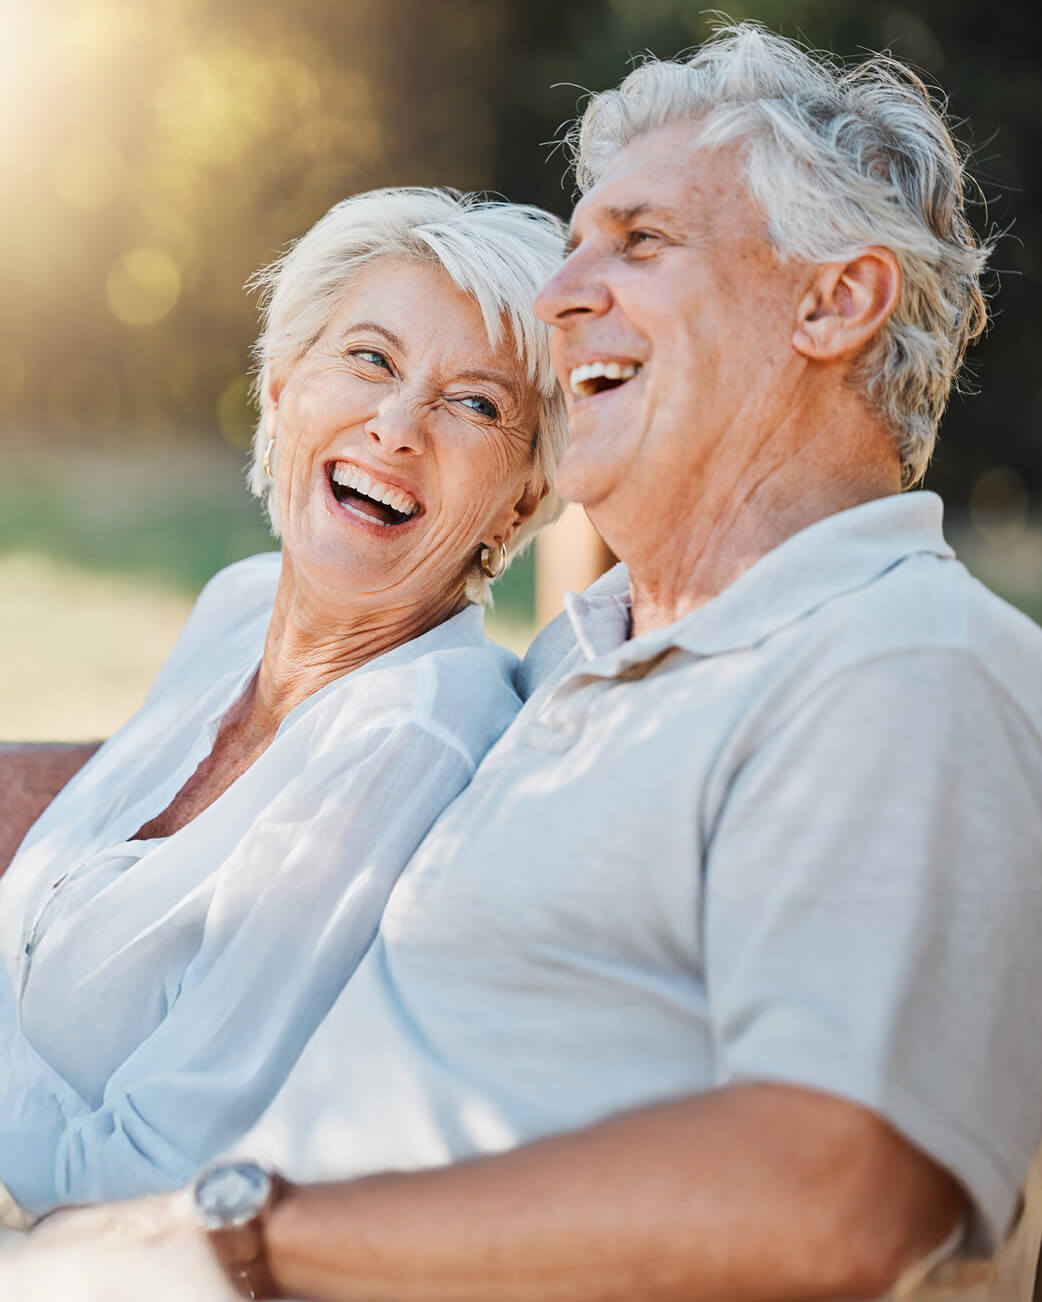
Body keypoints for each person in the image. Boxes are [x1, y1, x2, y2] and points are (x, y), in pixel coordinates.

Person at [5, 21, 1042, 1302]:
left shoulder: (904, 663)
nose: (557, 296)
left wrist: (236, 1231)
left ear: (832, 300)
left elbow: (833, 1202)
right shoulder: (587, 659)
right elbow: (265, 786)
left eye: (640, 240)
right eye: (578, 244)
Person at [0, 187, 568, 1221]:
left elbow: (158, 1177)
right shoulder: (237, 608)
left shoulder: (407, 738)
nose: (396, 427)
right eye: (370, 360)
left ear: (522, 501)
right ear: (278, 390)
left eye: (475, 404)